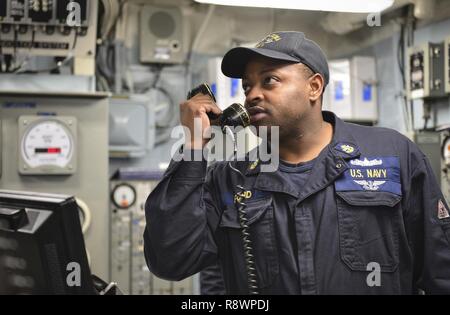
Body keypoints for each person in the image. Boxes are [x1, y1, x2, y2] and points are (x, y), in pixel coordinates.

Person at [143, 31, 450, 294]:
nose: (252, 96)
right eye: (247, 86)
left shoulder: (393, 154)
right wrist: (193, 146)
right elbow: (171, 259)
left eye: (269, 80)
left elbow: (441, 271)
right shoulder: (231, 178)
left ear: (314, 87)